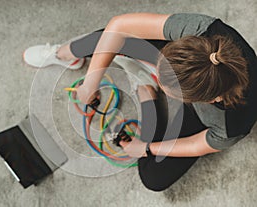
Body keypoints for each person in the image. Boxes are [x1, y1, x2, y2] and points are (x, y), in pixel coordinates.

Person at [23, 13, 257, 191]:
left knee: (154, 178)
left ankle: (149, 97)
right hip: (188, 69)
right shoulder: (203, 30)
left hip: (199, 112)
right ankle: (65, 54)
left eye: (171, 92)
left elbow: (198, 144)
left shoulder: (234, 124)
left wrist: (146, 147)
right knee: (104, 37)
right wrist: (90, 84)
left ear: (209, 100)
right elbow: (119, 26)